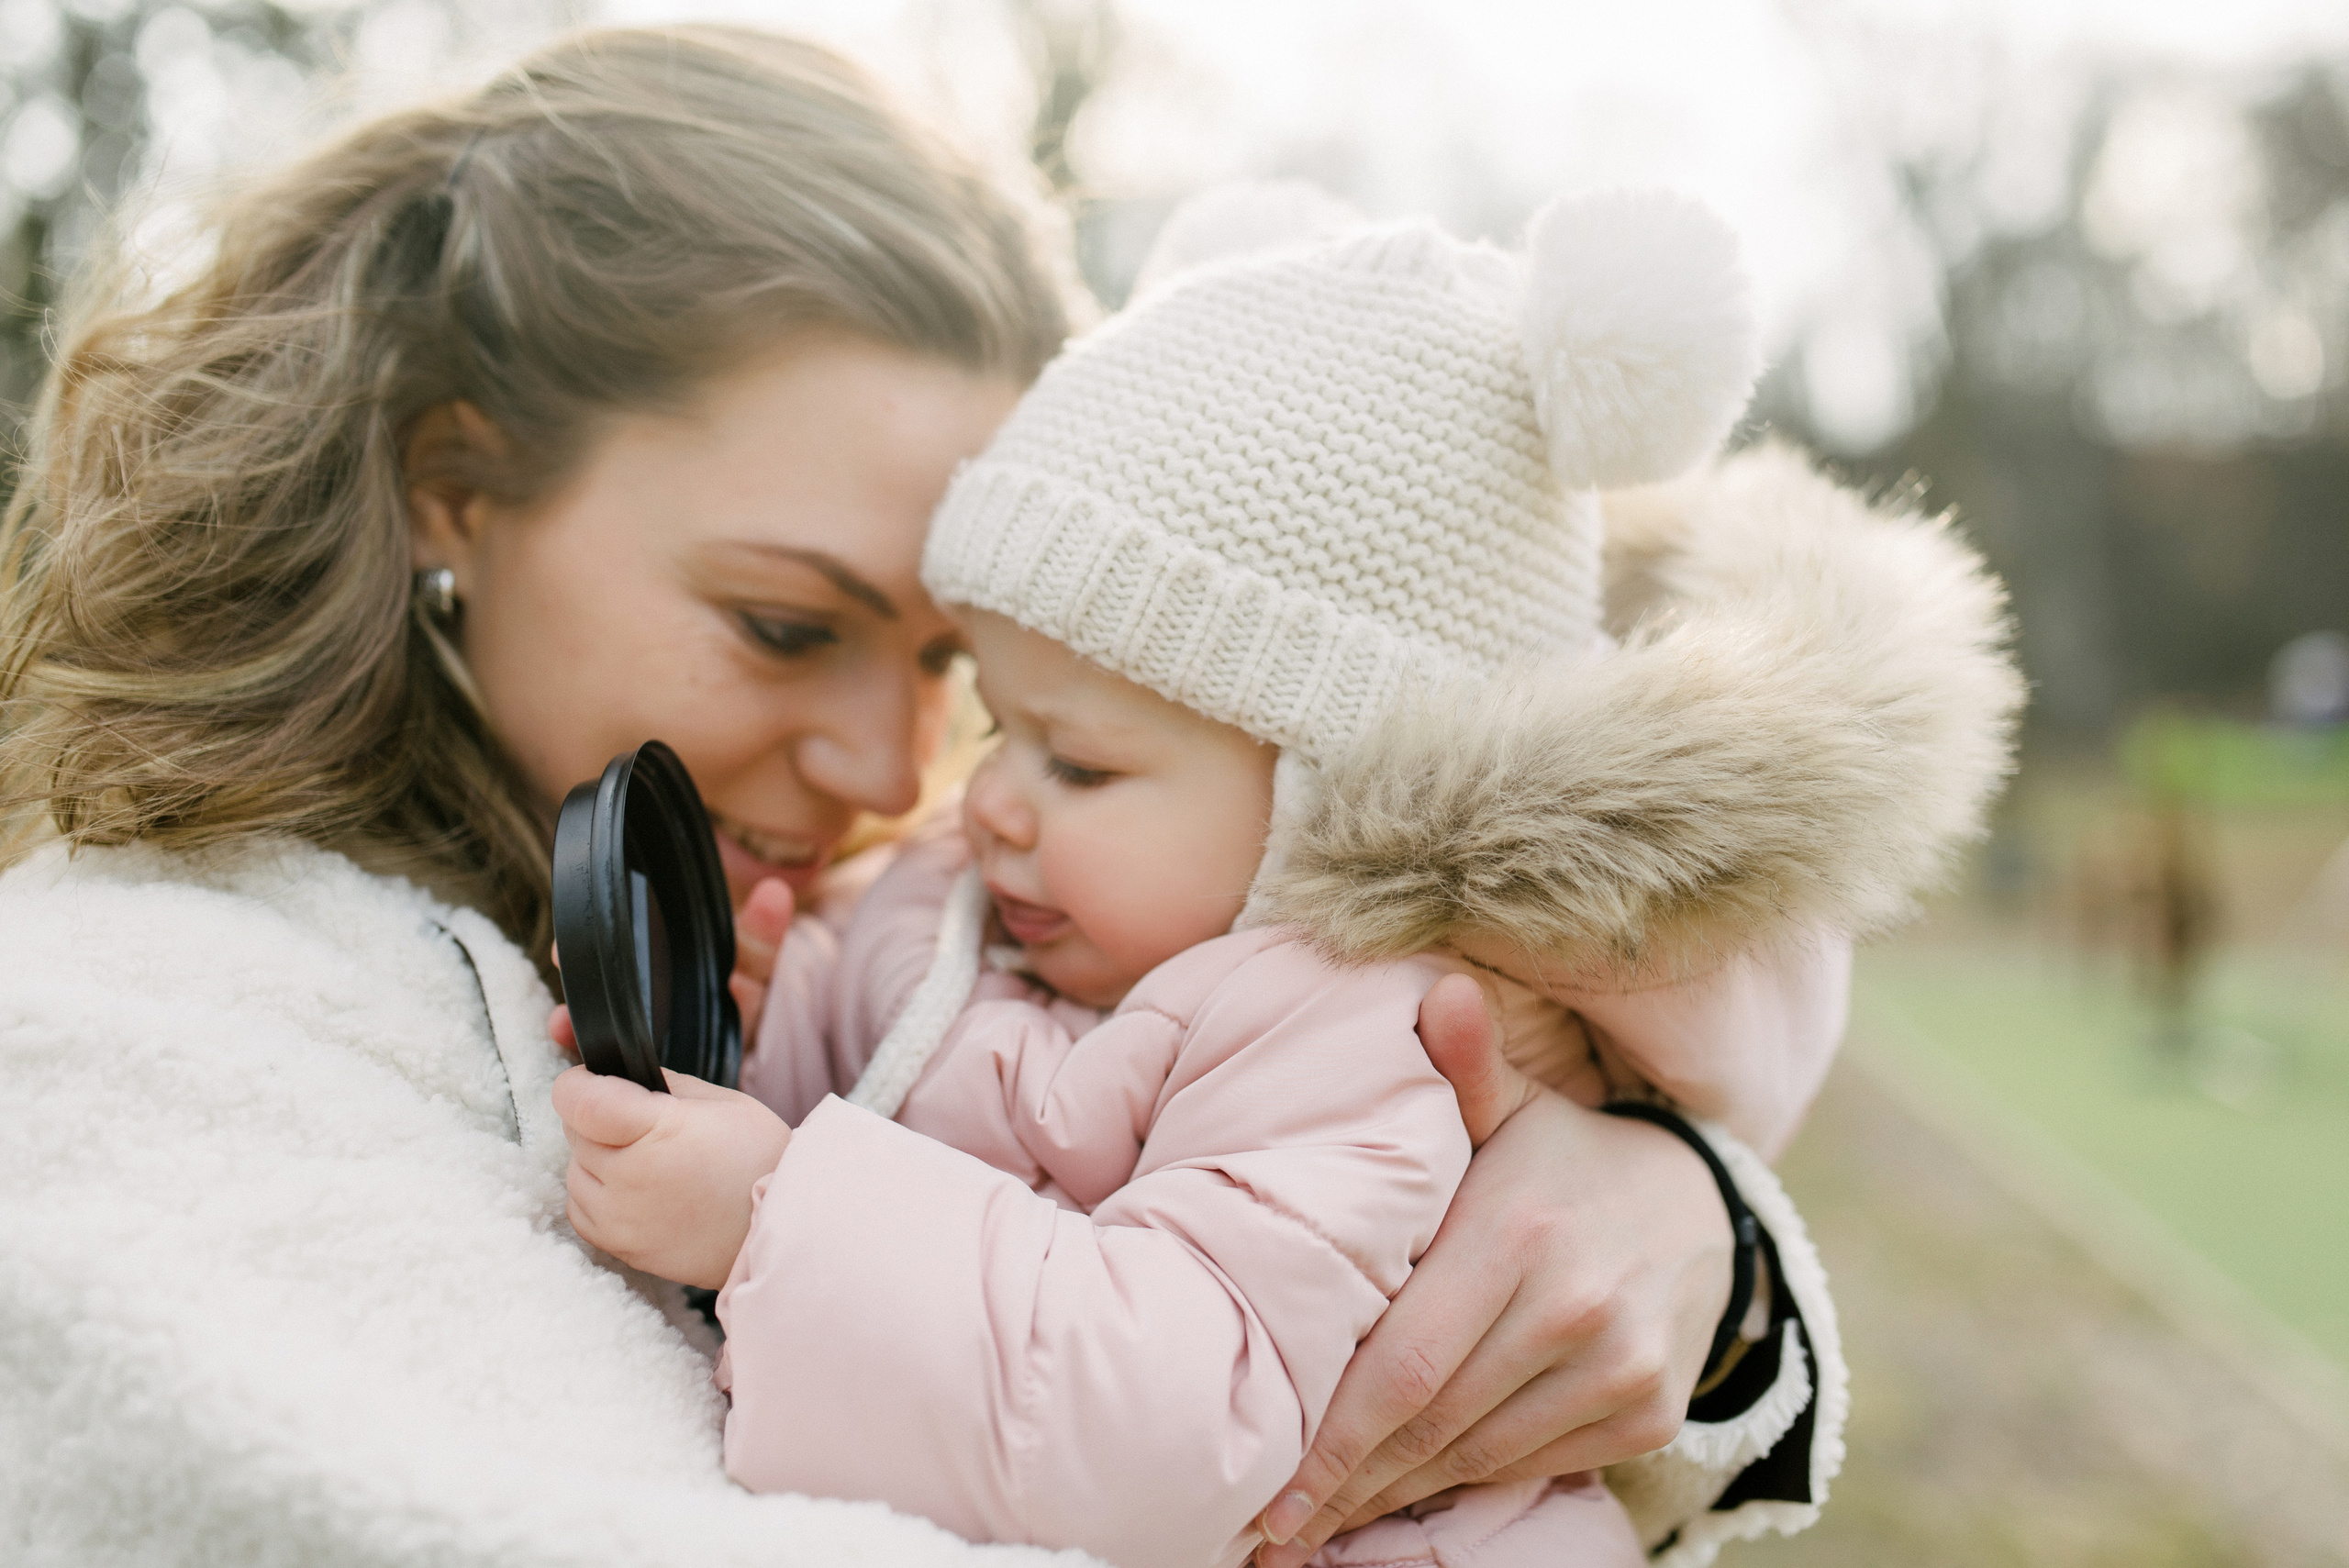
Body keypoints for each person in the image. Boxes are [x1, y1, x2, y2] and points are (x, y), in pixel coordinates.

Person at [0, 23, 1990, 1568]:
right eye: (786, 627)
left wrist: (1693, 1222)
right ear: (454, 486)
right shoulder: (147, 1038)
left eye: (948, 671)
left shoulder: (967, 924)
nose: (899, 772)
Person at [550, 190, 2020, 1568]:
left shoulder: (1363, 1034)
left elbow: (1173, 1420)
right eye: (998, 717)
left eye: (1081, 761)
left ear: (1327, 796)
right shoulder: (985, 908)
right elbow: (901, 1076)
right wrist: (741, 1017)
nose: (987, 797)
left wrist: (770, 1212)